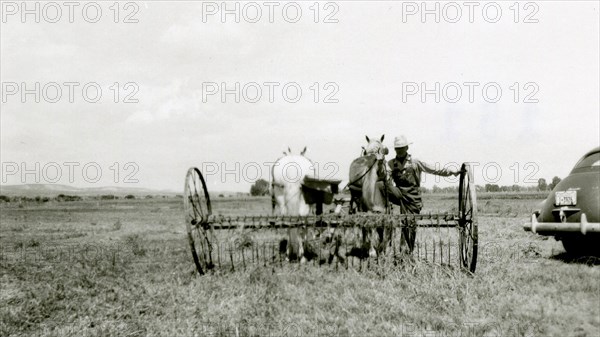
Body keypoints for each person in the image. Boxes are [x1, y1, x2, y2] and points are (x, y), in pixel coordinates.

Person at [377, 135, 461, 253]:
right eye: (397, 148)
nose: (399, 150)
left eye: (402, 148)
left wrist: (450, 172)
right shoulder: (391, 164)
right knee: (380, 185)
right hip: (399, 194)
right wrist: (381, 161)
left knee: (409, 226)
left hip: (413, 197)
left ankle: (407, 253)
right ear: (395, 149)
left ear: (407, 148)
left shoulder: (415, 162)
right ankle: (381, 211)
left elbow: (433, 169)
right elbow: (383, 177)